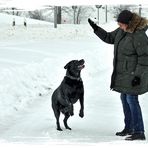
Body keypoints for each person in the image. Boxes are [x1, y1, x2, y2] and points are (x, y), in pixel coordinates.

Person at [88, 10, 148, 140]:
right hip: (124, 75)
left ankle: (139, 131)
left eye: (121, 24)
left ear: (129, 23)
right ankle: (129, 127)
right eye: (119, 24)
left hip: (134, 75)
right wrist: (96, 29)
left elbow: (145, 58)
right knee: (124, 99)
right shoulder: (122, 31)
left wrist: (138, 76)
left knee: (132, 100)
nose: (119, 26)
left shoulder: (139, 35)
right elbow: (109, 38)